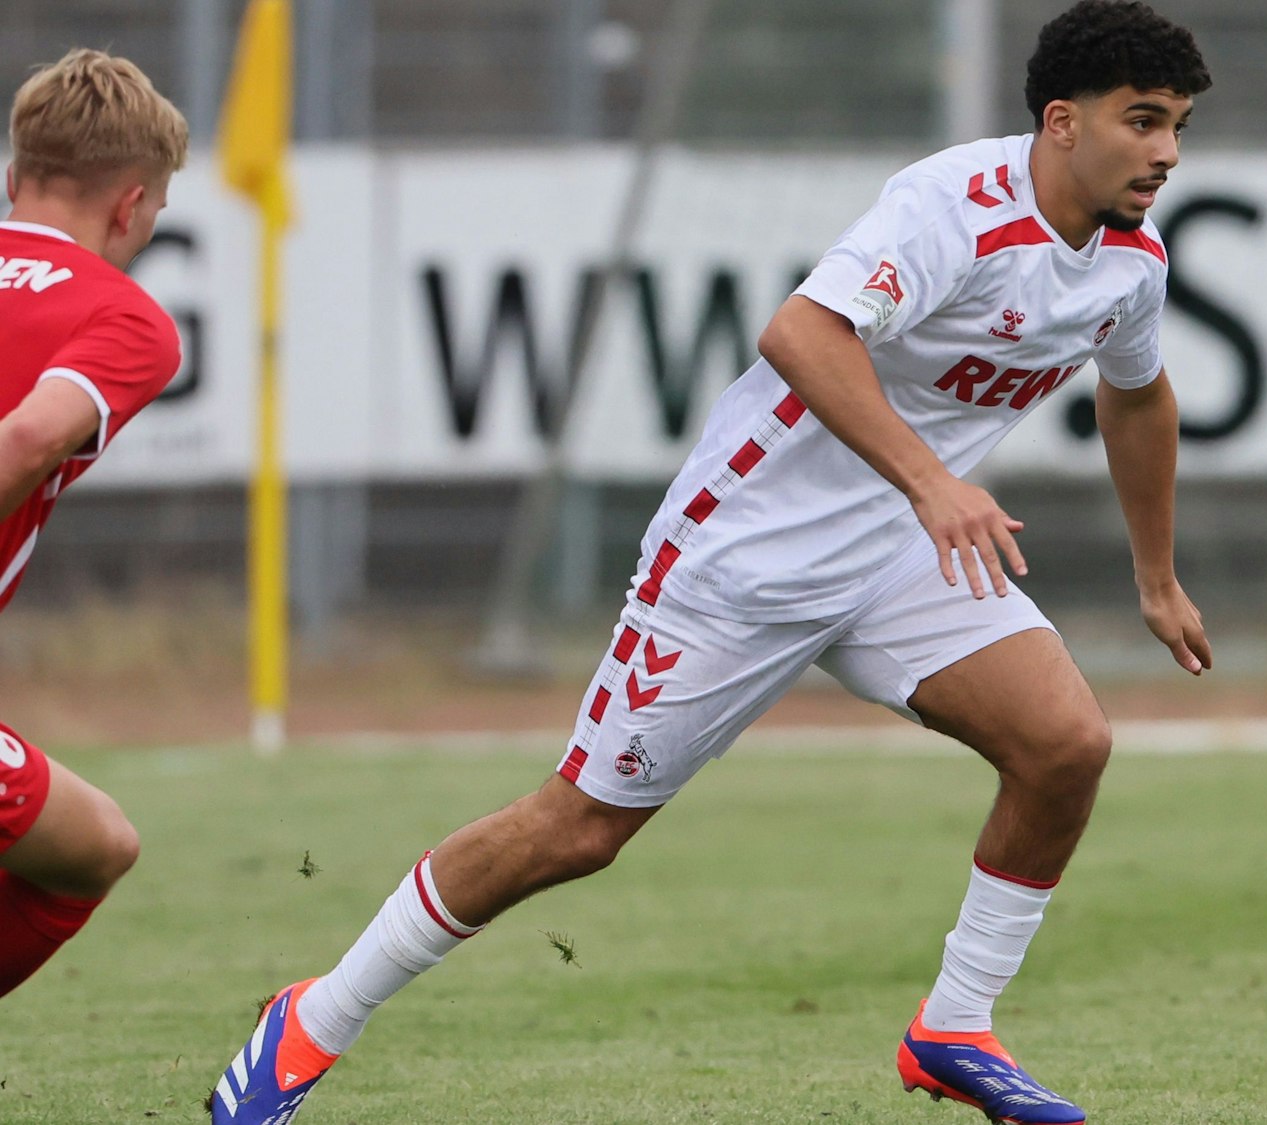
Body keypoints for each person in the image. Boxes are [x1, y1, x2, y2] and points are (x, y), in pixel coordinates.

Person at [209, 3, 1212, 1121]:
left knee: (1064, 745)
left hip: (895, 555)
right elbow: (799, 332)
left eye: (1175, 126)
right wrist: (931, 480)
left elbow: (1137, 399)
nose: (1165, 152)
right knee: (577, 831)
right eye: (1143, 122)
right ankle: (312, 1020)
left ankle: (953, 1027)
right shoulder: (952, 208)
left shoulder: (1129, 260)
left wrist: (1155, 578)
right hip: (746, 556)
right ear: (1063, 122)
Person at [0, 49, 189, 997]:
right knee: (92, 848)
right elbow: (30, 434)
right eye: (153, 216)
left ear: (11, 176)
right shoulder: (124, 319)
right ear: (129, 207)